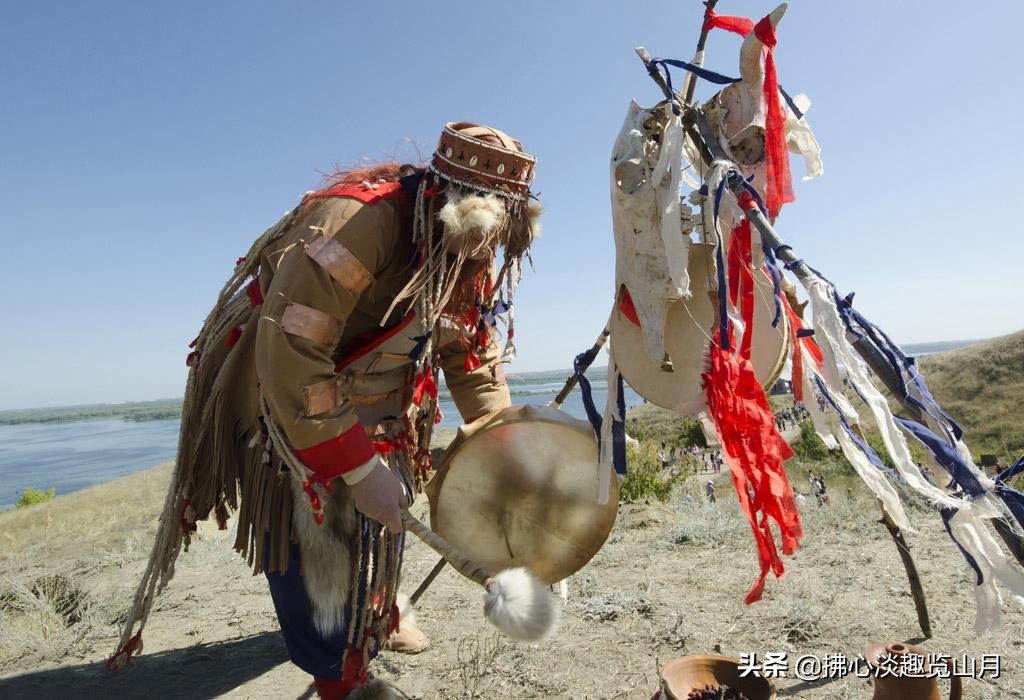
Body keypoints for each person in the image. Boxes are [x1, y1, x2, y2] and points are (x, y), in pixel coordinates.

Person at [112, 122, 542, 699]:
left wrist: (499, 446)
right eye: (484, 240)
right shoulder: (355, 224)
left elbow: (471, 354)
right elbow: (293, 351)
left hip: (384, 395)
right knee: (315, 526)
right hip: (285, 387)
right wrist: (358, 468)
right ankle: (336, 669)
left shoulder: (470, 252)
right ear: (453, 209)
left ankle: (379, 605)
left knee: (392, 501)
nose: (485, 260)